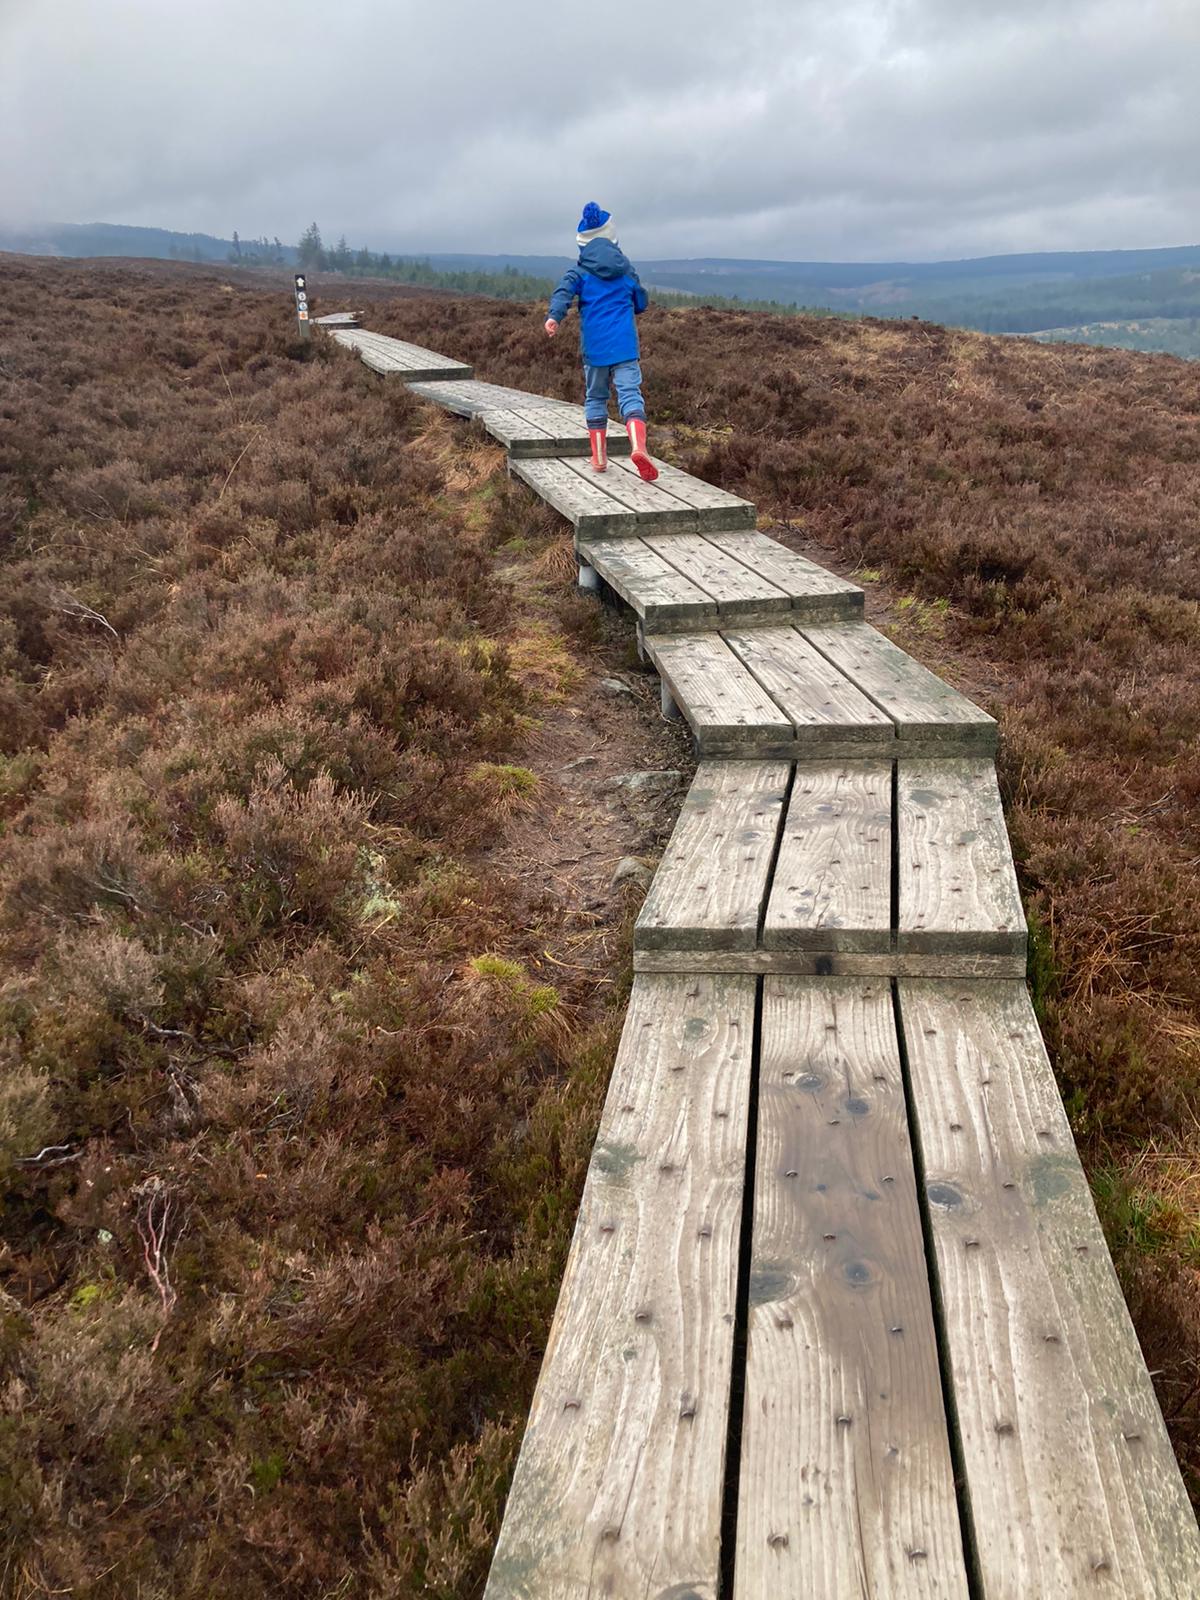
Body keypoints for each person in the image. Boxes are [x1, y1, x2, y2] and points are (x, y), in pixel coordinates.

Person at [544, 203, 657, 480]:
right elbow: (641, 301)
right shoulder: (626, 270)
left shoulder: (579, 272)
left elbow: (562, 293)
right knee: (630, 395)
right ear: (612, 236)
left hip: (595, 349)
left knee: (596, 397)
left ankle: (598, 458)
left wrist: (554, 317)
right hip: (625, 346)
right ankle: (638, 447)